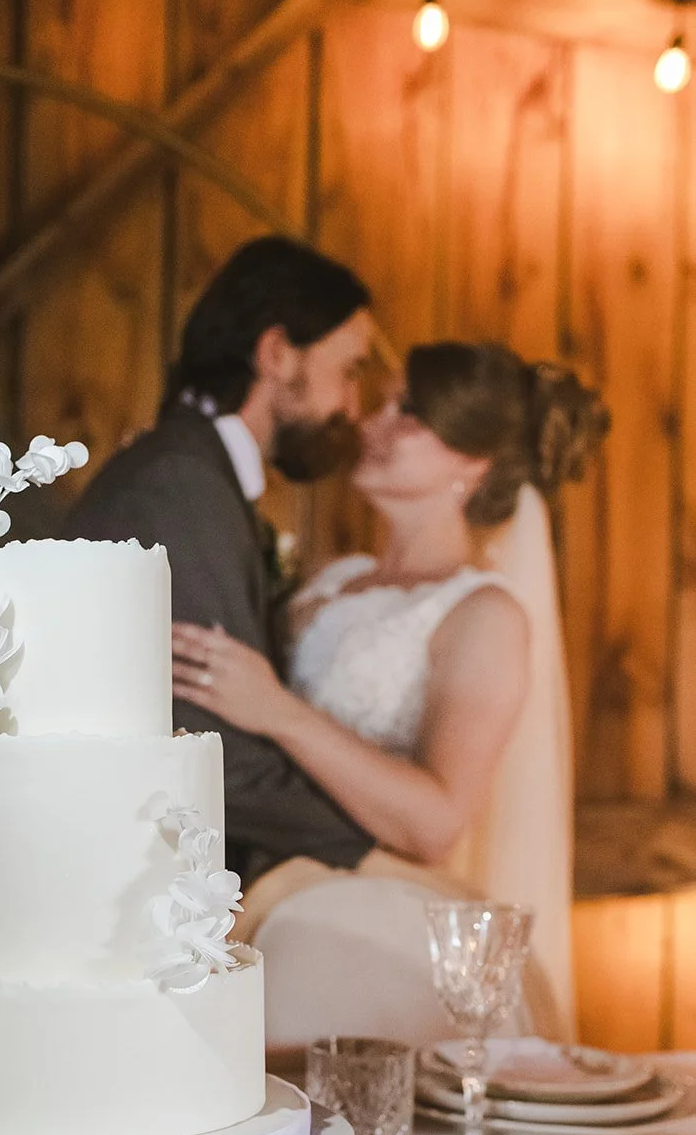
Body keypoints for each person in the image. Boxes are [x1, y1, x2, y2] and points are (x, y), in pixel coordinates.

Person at [172, 342, 608, 1041]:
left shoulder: (482, 615)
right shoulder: (332, 580)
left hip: (358, 929)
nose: (371, 424)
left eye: (407, 413)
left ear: (471, 461)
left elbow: (435, 822)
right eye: (382, 404)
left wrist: (280, 714)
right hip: (249, 889)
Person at [66, 235, 377, 885]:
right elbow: (210, 751)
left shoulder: (194, 473)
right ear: (275, 355)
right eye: (349, 371)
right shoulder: (178, 483)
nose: (352, 406)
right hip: (108, 899)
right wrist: (371, 848)